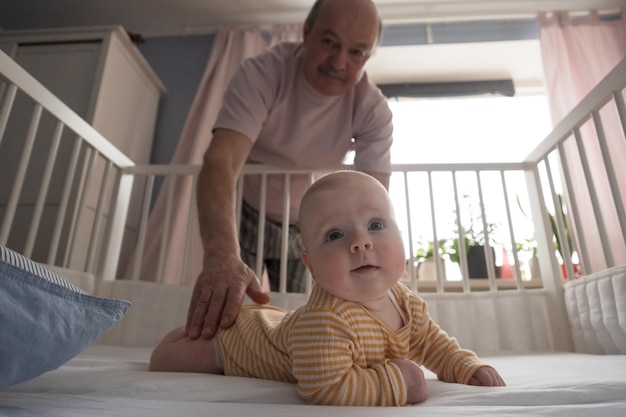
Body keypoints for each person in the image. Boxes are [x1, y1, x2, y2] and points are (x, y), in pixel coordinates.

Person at [151, 171, 506, 406]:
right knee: (166, 357)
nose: (361, 242)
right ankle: (189, 336)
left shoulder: (406, 301)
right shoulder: (327, 320)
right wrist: (398, 382)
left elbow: (432, 343)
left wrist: (463, 366)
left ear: (401, 237)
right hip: (237, 343)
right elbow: (323, 388)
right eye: (335, 235)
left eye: (376, 224)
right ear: (312, 266)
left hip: (280, 326)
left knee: (280, 324)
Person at [187, 0, 394, 341]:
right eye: (329, 42)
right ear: (306, 33)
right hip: (244, 208)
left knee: (305, 312)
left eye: (357, 52)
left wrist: (379, 279)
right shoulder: (264, 73)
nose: (340, 62)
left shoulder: (372, 108)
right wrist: (221, 255)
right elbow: (220, 161)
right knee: (233, 310)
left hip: (305, 221)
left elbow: (374, 200)